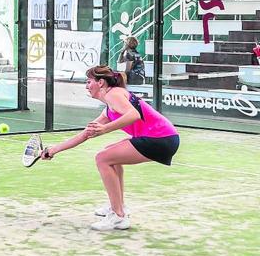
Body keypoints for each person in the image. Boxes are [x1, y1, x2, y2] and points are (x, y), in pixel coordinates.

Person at [40, 65, 180, 231]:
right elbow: (85, 134)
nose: (86, 86)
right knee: (110, 155)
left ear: (100, 83)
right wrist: (54, 149)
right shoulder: (108, 109)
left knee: (103, 158)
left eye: (88, 81)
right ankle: (118, 206)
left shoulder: (114, 93)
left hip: (160, 138)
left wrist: (106, 128)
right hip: (161, 138)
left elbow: (133, 114)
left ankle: (118, 216)